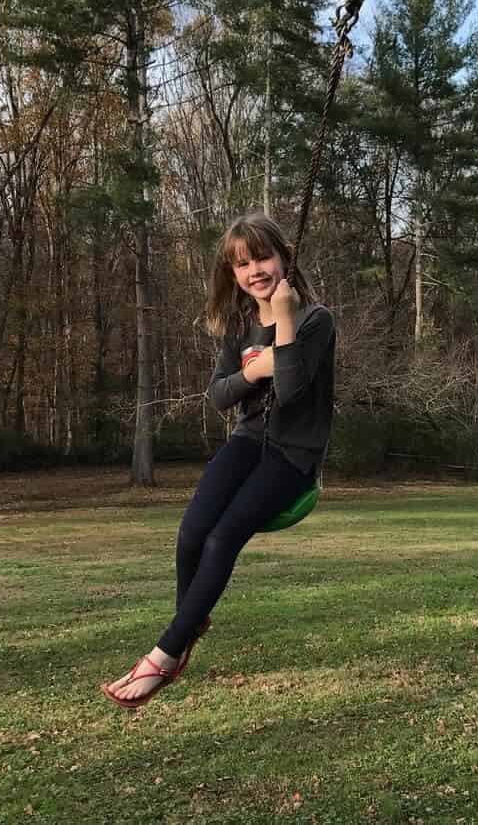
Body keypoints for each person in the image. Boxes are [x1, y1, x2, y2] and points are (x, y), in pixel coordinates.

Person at [102, 212, 336, 708]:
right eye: (242, 264)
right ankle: (190, 622)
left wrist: (285, 325)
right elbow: (218, 396)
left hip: (293, 454)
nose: (255, 271)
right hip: (250, 440)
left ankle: (166, 653)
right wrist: (256, 371)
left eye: (263, 257)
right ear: (232, 274)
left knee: (224, 535)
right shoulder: (241, 327)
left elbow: (292, 394)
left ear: (285, 257)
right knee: (192, 531)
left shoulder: (315, 320)